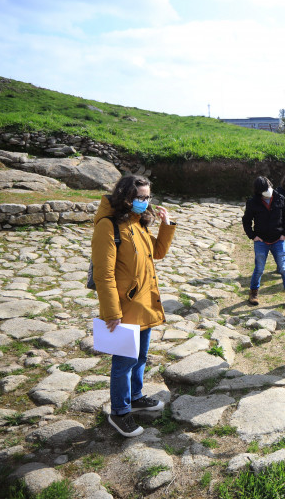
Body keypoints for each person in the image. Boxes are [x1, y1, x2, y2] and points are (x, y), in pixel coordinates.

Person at [92, 174, 176, 438]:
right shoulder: (108, 226)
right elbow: (103, 274)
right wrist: (111, 312)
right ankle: (119, 412)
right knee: (123, 362)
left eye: (147, 196)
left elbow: (158, 252)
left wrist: (166, 225)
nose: (145, 201)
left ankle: (136, 396)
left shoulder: (138, 223)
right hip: (124, 307)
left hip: (145, 303)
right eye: (140, 197)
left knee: (140, 357)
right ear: (125, 197)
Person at [242, 176, 285, 307]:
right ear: (259, 191)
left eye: (268, 187)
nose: (268, 191)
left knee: (283, 268)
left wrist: (284, 234)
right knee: (259, 268)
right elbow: (246, 220)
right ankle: (253, 293)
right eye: (264, 190)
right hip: (261, 241)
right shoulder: (253, 202)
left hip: (278, 240)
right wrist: (252, 236)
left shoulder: (280, 198)